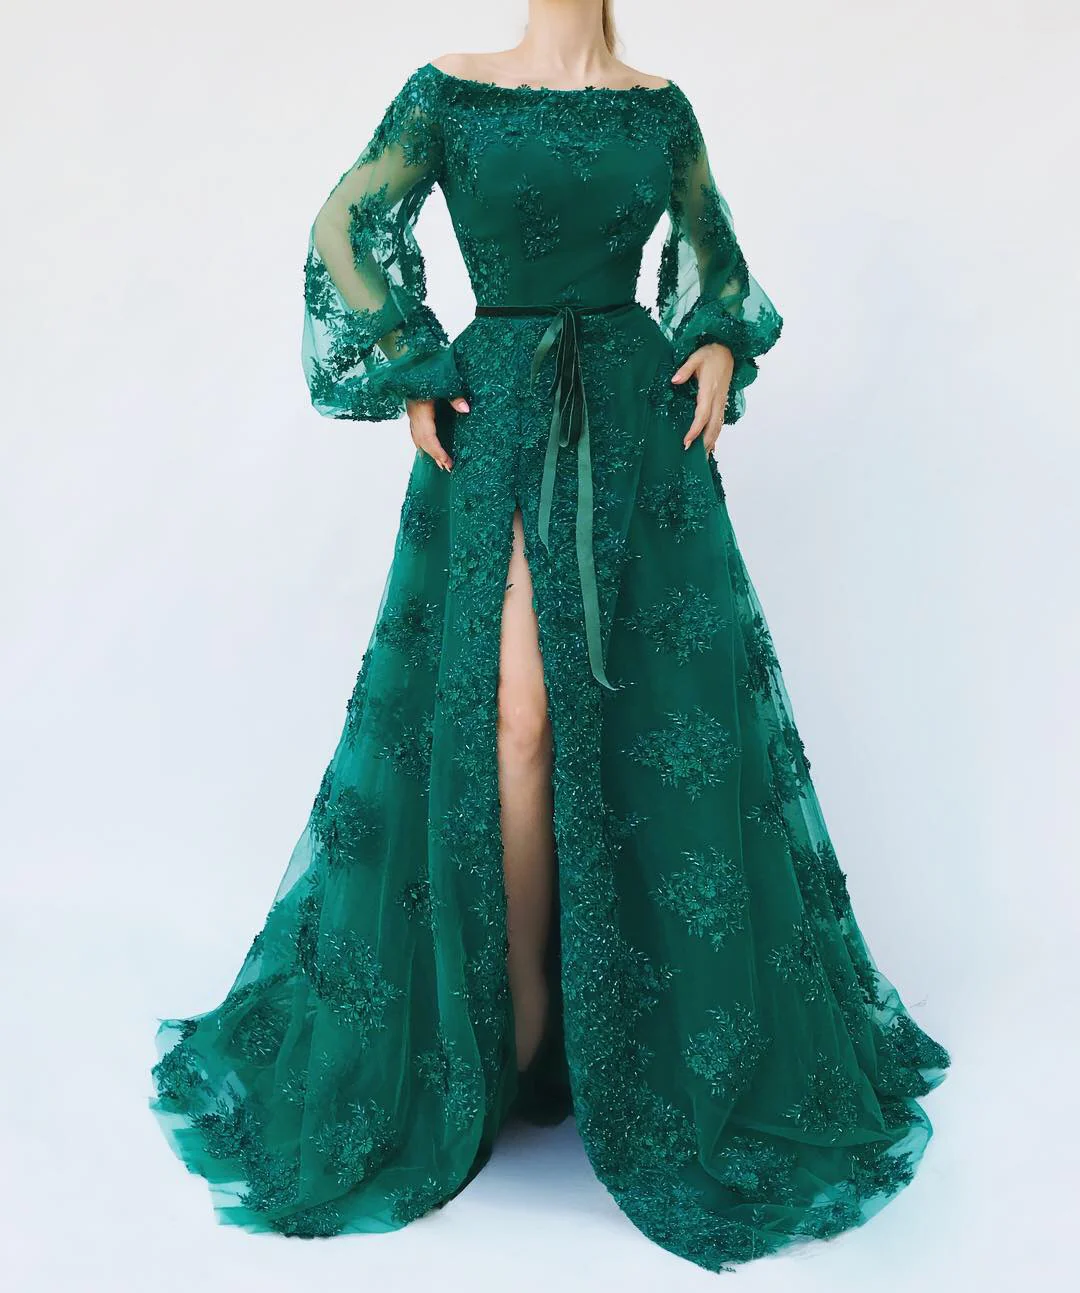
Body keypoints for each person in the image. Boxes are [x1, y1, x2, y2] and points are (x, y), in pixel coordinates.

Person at [149, 0, 951, 1274]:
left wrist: (715, 345)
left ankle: (605, 1026)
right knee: (516, 721)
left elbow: (711, 260)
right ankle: (515, 1026)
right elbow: (345, 226)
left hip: (639, 427)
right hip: (503, 417)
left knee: (643, 721)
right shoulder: (449, 89)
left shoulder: (660, 109)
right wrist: (410, 356)